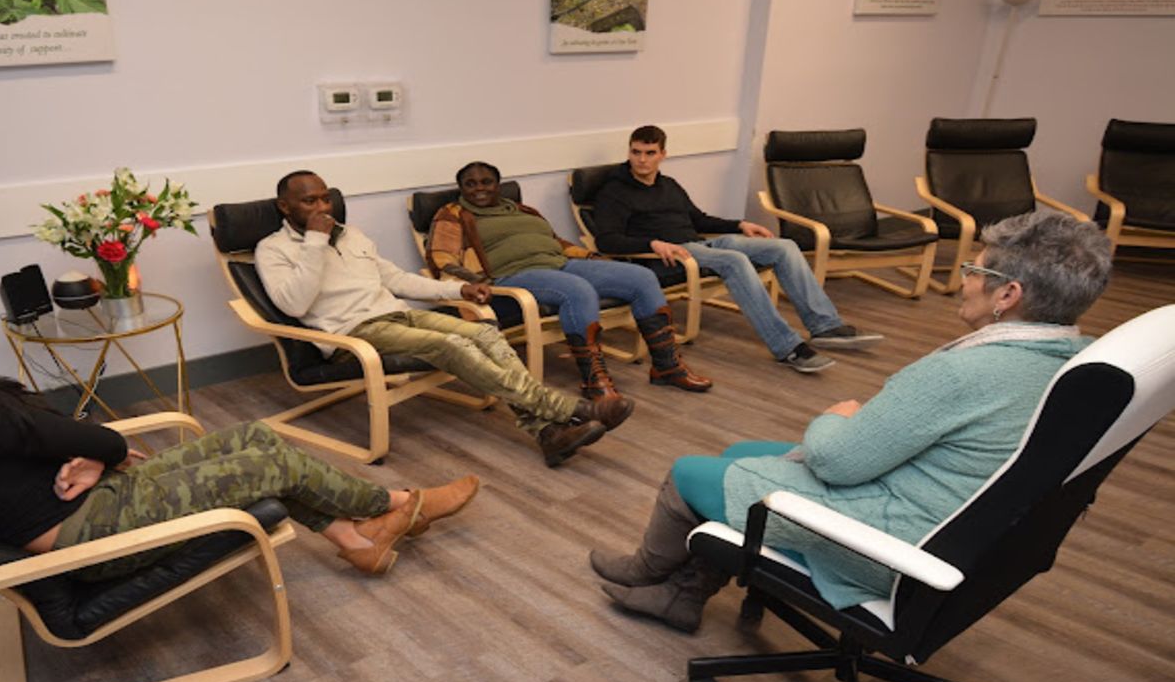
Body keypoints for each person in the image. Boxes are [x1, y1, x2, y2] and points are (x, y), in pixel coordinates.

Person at [590, 211, 1112, 632]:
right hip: (960, 528)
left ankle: (646, 571)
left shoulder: (962, 372)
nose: (965, 281)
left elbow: (835, 462)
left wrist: (834, 416)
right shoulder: (1081, 362)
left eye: (975, 272)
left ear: (1008, 295)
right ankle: (682, 594)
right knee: (737, 455)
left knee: (686, 474)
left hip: (894, 541)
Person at [0, 292, 484, 576]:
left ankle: (356, 540)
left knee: (253, 439)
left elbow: (49, 440)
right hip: (85, 537)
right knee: (265, 466)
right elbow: (88, 437)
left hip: (77, 502)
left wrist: (85, 454)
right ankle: (399, 504)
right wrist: (97, 451)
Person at [256, 170, 632, 468]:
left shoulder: (351, 235)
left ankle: (548, 434)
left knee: (485, 333)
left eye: (325, 198)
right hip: (354, 334)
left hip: (399, 316)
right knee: (452, 345)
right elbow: (294, 305)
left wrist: (458, 290)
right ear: (285, 206)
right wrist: (315, 242)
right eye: (309, 201)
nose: (322, 207)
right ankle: (570, 409)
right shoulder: (272, 250)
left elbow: (396, 280)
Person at [593, 124, 882, 373]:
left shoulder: (668, 185)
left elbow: (698, 219)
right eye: (636, 152)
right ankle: (788, 347)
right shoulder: (615, 191)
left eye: (649, 153)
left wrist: (740, 224)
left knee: (784, 247)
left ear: (663, 154)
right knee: (734, 261)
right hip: (670, 257)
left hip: (700, 245)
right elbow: (605, 240)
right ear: (629, 152)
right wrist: (652, 243)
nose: (642, 160)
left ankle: (825, 326)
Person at [426, 161, 712, 401]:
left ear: (497, 185)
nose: (479, 188)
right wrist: (472, 282)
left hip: (561, 263)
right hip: (513, 275)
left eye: (486, 182)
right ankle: (594, 379)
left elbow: (557, 242)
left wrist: (593, 258)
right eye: (470, 184)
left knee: (642, 277)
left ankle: (666, 366)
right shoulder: (452, 215)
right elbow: (441, 258)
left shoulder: (523, 211)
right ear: (461, 189)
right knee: (577, 290)